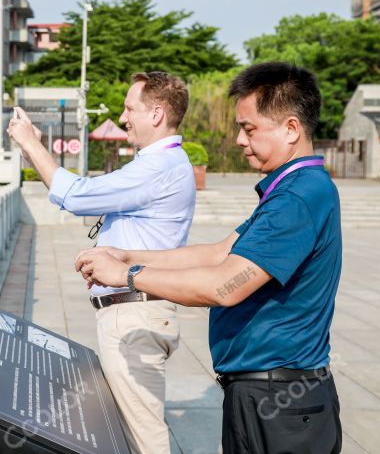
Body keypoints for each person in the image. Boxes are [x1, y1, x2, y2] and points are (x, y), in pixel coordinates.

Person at [75, 62, 343, 454]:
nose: (238, 139)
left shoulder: (298, 198)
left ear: (290, 128)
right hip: (264, 392)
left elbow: (224, 284)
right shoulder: (290, 189)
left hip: (280, 399)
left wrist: (128, 275)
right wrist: (125, 252)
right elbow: (219, 252)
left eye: (249, 128)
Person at [7, 71, 195, 454]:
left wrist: (31, 145)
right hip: (134, 311)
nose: (124, 117)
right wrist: (33, 150)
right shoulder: (164, 163)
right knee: (130, 432)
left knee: (144, 439)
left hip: (135, 314)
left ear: (157, 114)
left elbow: (76, 195)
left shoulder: (157, 168)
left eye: (130, 108)